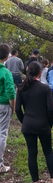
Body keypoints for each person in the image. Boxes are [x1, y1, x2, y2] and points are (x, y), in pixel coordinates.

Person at [15, 62, 53, 183]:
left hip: (28, 124)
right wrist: (50, 123)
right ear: (40, 73)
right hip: (43, 124)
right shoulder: (45, 89)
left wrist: (24, 121)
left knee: (32, 154)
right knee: (48, 152)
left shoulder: (21, 88)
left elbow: (18, 109)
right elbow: (50, 109)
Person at [0, 44, 16, 173]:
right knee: (2, 133)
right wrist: (13, 107)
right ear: (7, 56)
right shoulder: (5, 72)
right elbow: (11, 92)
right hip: (4, 105)